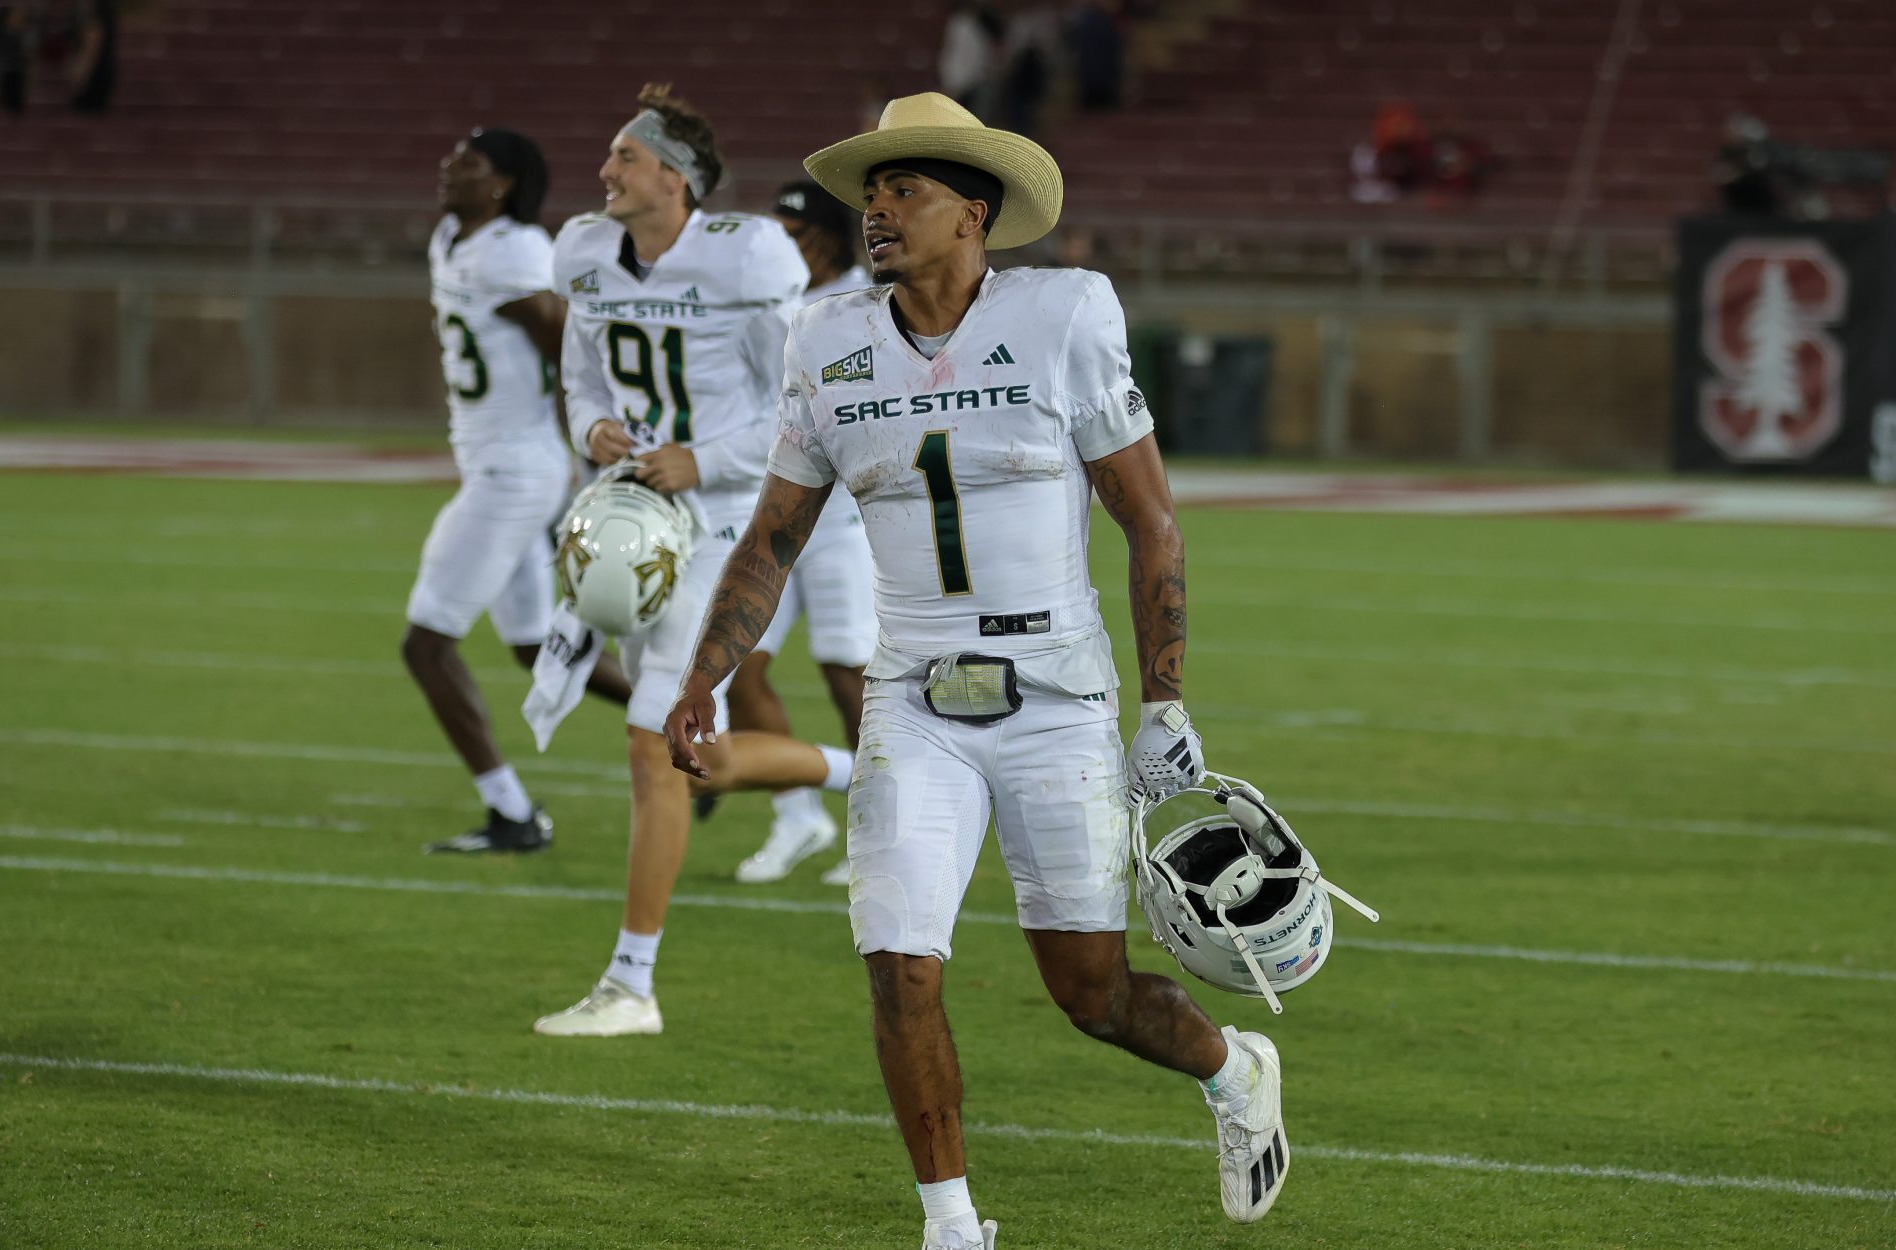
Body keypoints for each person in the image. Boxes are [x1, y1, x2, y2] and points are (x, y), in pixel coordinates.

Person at [665, 94, 1288, 1247]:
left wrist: (1164, 703)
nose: (878, 209)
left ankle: (1230, 1064)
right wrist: (706, 670)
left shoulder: (1063, 313)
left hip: (1055, 696)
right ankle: (949, 1223)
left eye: (907, 189)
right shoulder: (827, 336)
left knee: (1087, 990)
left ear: (976, 214)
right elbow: (771, 536)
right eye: (872, 190)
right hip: (913, 698)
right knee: (899, 963)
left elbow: (1149, 518)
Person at [533, 84, 855, 1037]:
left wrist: (703, 459)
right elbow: (580, 374)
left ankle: (632, 984)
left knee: (651, 750)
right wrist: (591, 426)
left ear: (673, 179)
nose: (605, 173)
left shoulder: (743, 257)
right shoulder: (587, 252)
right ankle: (865, 774)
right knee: (693, 759)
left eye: (624, 159)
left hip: (719, 517)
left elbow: (799, 403)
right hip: (633, 508)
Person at [406, 127, 629, 855]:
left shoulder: (511, 249)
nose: (448, 168)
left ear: (501, 183)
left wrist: (594, 444)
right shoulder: (454, 235)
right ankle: (709, 734)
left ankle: (510, 812)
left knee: (426, 646)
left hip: (515, 471)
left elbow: (568, 343)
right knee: (539, 650)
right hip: (503, 465)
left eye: (467, 163)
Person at [728, 180, 878, 888]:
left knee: (849, 673)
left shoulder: (862, 298)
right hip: (778, 513)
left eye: (794, 231)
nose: (783, 245)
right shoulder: (767, 299)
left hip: (845, 515)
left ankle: (879, 833)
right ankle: (796, 817)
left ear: (823, 235)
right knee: (739, 665)